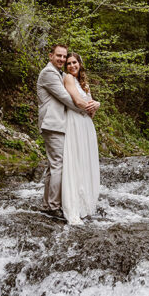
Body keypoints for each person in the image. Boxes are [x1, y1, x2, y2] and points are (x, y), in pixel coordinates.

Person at [37, 44, 99, 219]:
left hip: (59, 123)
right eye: (59, 56)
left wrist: (94, 104)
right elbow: (66, 98)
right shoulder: (49, 73)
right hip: (53, 123)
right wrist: (87, 108)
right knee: (58, 164)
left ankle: (48, 204)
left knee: (53, 165)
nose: (62, 60)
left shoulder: (59, 74)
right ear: (51, 56)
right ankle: (54, 206)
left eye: (64, 57)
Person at [60, 51, 101, 224]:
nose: (72, 66)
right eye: (68, 63)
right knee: (75, 160)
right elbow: (77, 102)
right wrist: (96, 105)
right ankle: (73, 205)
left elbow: (91, 111)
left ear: (80, 63)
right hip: (75, 121)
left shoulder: (84, 83)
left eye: (74, 62)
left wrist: (95, 105)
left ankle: (86, 204)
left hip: (86, 124)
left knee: (86, 161)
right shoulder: (68, 78)